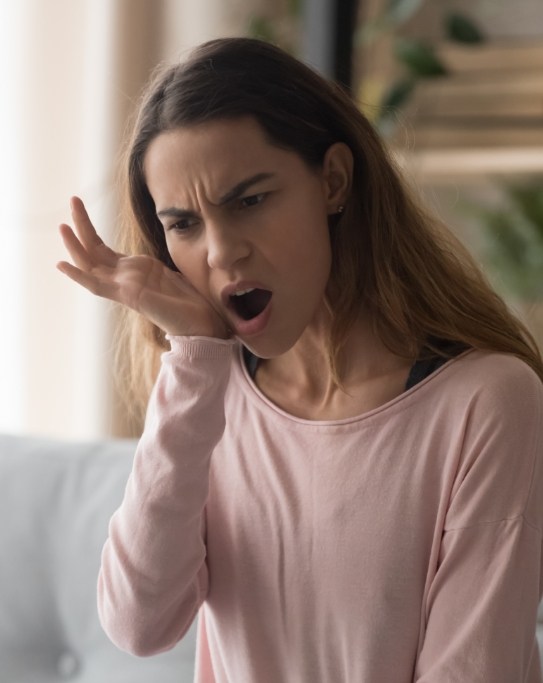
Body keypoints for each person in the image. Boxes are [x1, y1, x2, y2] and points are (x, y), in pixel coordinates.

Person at [57, 37, 543, 682]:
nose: (223, 253)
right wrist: (194, 365)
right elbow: (138, 624)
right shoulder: (206, 391)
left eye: (249, 200)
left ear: (333, 180)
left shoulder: (488, 401)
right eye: (184, 224)